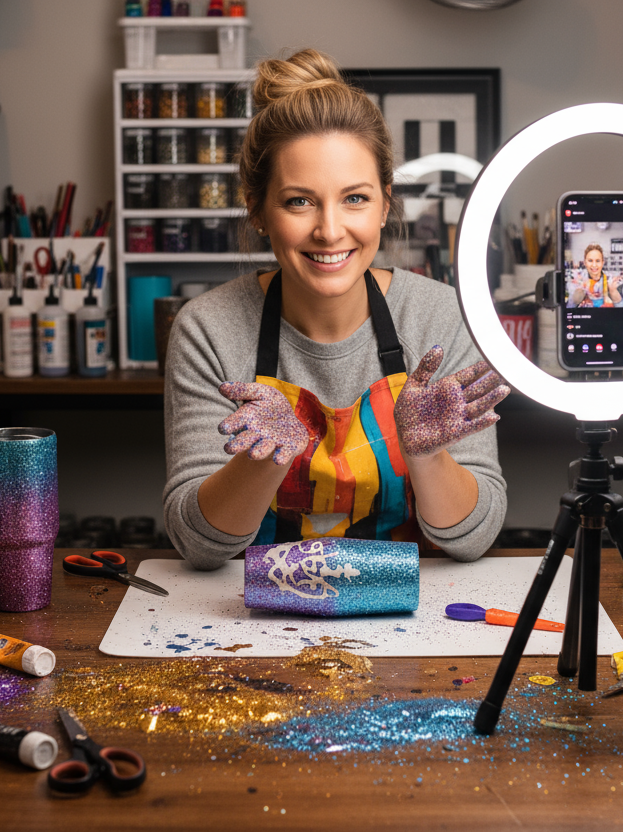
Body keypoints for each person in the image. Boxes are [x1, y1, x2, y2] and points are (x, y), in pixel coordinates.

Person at [162, 48, 509, 571]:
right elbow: (198, 546)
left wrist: (426, 454)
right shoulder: (208, 329)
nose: (329, 231)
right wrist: (264, 460)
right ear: (257, 209)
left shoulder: (441, 317)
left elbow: (474, 538)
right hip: (253, 609)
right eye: (299, 201)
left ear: (385, 203)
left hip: (411, 609)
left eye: (355, 199)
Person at [569, 243, 623, 307]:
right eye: (590, 260)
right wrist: (580, 290)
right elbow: (572, 304)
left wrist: (612, 290)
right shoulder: (578, 278)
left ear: (602, 262)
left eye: (597, 261)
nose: (594, 265)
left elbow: (622, 307)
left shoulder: (610, 279)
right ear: (585, 262)